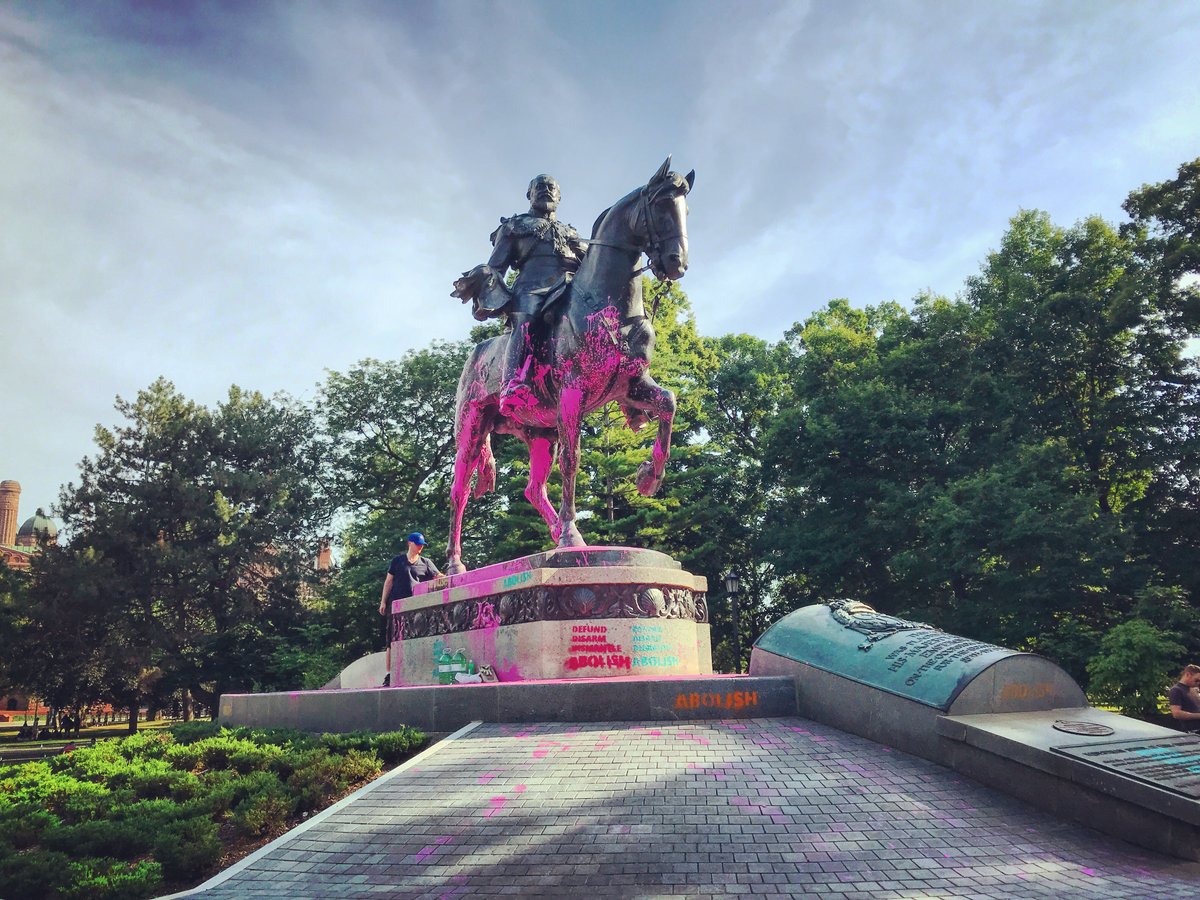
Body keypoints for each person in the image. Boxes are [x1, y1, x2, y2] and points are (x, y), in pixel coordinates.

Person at [485, 175, 588, 414]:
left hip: (566, 288)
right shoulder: (515, 227)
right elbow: (496, 267)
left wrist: (572, 260)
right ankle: (510, 383)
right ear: (529, 194)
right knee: (525, 321)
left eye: (552, 188)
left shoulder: (569, 232)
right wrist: (492, 290)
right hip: (530, 288)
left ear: (559, 197)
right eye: (539, 187)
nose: (546, 191)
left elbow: (591, 264)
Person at [379, 532, 443, 686]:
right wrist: (383, 601)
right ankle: (389, 673)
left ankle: (417, 669)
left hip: (417, 607)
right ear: (410, 543)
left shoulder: (426, 562)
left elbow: (438, 576)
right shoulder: (398, 561)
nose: (420, 547)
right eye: (418, 544)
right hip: (396, 605)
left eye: (422, 545)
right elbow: (388, 582)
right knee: (392, 639)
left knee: (416, 635)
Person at [1168, 664, 1200, 732]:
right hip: (1191, 731)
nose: (1198, 683)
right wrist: (1198, 715)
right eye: (1196, 680)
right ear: (1188, 674)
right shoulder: (1176, 690)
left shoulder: (1193, 689)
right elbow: (1176, 713)